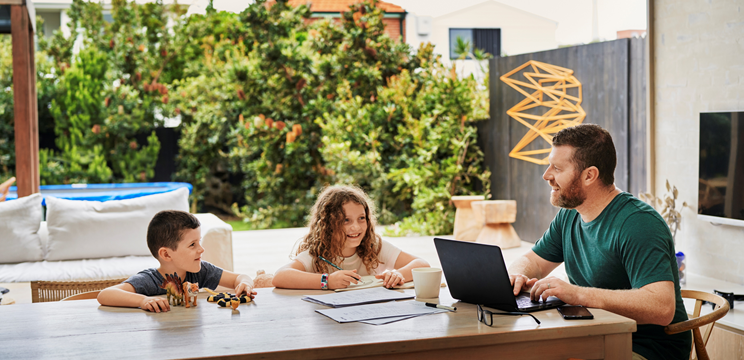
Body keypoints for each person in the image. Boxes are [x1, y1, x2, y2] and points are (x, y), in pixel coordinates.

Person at [507, 124, 690, 360]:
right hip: (594, 335)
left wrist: (577, 294)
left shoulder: (639, 223)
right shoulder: (570, 214)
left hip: (646, 348)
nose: (547, 175)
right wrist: (516, 275)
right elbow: (533, 261)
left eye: (557, 168)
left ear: (589, 175)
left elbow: (661, 308)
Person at [272, 185, 430, 290]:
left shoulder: (373, 245)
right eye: (346, 220)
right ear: (328, 224)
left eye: (361, 218)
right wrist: (327, 281)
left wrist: (398, 274)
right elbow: (280, 276)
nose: (356, 227)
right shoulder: (318, 253)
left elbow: (422, 264)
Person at [98, 210, 257, 312]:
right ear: (166, 255)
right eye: (192, 245)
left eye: (199, 242)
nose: (201, 249)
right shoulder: (150, 280)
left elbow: (239, 278)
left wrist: (245, 284)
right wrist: (144, 300)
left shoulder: (200, 272)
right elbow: (105, 294)